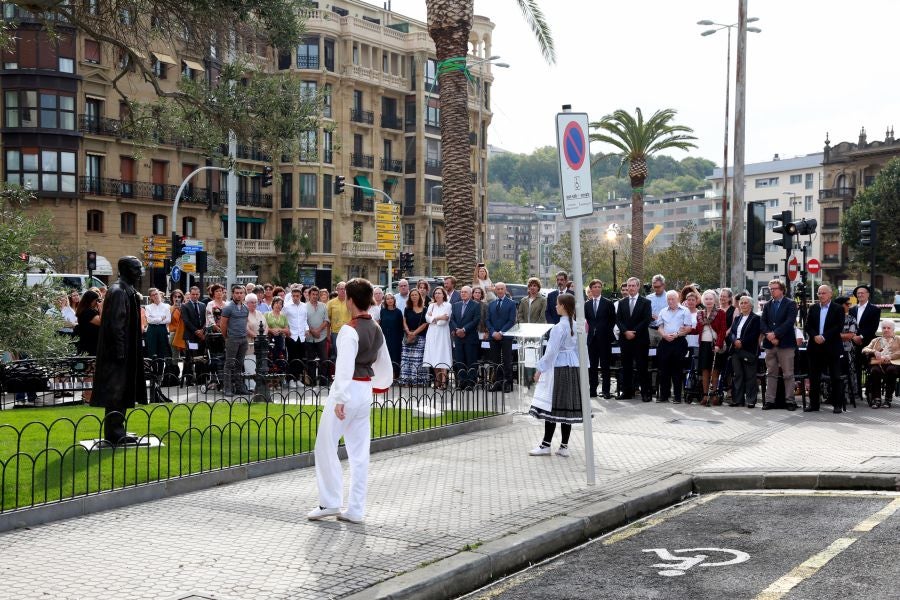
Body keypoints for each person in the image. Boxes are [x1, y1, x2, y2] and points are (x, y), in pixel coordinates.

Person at [307, 278, 392, 524]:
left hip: (348, 389)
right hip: (365, 389)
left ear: (350, 301)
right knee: (359, 452)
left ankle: (330, 501)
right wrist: (379, 385)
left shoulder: (349, 329)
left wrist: (341, 398)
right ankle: (355, 509)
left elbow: (344, 367)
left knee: (325, 444)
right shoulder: (376, 327)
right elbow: (383, 363)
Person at [92, 256, 147, 445]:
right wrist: (120, 350)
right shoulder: (118, 291)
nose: (140, 272)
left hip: (125, 350)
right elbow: (116, 325)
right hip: (119, 353)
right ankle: (114, 432)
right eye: (136, 268)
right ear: (124, 270)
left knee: (122, 391)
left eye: (140, 268)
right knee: (116, 392)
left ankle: (117, 429)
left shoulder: (127, 290)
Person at [528, 293, 582, 457]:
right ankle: (564, 446)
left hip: (558, 368)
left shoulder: (559, 327)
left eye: (558, 304)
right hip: (572, 367)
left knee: (551, 406)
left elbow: (551, 352)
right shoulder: (577, 324)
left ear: (564, 306)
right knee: (566, 407)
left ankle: (546, 445)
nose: (555, 306)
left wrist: (539, 369)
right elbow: (581, 349)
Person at [804, 285, 844, 414]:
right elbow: (807, 325)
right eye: (819, 293)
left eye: (823, 293)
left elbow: (839, 326)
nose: (821, 295)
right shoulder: (813, 308)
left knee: (835, 377)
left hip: (831, 347)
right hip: (815, 347)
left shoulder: (838, 308)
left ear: (830, 294)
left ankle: (837, 404)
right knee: (814, 377)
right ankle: (814, 404)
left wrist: (824, 336)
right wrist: (815, 336)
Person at [760, 279, 799, 411]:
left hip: (785, 344)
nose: (772, 291)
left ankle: (790, 401)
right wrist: (769, 335)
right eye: (770, 289)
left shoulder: (790, 304)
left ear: (781, 289)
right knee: (770, 373)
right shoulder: (767, 305)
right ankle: (770, 400)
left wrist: (776, 334)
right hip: (770, 344)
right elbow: (762, 322)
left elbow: (789, 322)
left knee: (788, 373)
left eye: (774, 288)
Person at [616, 277, 652, 401]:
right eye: (629, 286)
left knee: (642, 367)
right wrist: (625, 331)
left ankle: (645, 393)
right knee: (626, 367)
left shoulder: (646, 302)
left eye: (633, 286)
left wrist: (634, 332)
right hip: (625, 339)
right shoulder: (622, 302)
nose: (630, 288)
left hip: (640, 339)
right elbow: (618, 319)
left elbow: (646, 320)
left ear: (638, 287)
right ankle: (627, 392)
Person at [655, 290, 694, 404]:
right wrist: (664, 335)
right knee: (663, 369)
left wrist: (676, 334)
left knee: (677, 370)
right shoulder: (663, 311)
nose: (670, 301)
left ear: (678, 299)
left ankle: (677, 396)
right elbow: (660, 327)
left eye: (673, 299)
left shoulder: (685, 311)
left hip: (679, 341)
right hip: (665, 342)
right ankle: (664, 396)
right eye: (669, 299)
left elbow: (688, 328)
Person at [693, 290, 728, 406]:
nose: (708, 301)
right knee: (704, 370)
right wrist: (686, 330)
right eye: (706, 299)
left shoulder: (721, 313)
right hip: (703, 344)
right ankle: (705, 395)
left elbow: (723, 330)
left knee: (715, 370)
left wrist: (718, 344)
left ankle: (714, 395)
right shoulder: (700, 314)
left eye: (711, 299)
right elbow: (698, 330)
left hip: (714, 344)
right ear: (703, 300)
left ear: (714, 300)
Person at [728, 295, 761, 408]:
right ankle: (738, 400)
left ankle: (751, 400)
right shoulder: (737, 318)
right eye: (741, 303)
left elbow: (754, 334)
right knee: (738, 375)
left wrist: (742, 342)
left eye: (745, 303)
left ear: (751, 305)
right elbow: (732, 332)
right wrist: (734, 341)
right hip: (736, 350)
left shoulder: (756, 318)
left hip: (748, 350)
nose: (743, 305)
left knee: (750, 376)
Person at [584, 279, 615, 399]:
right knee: (592, 366)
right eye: (595, 287)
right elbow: (586, 320)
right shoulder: (587, 304)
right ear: (591, 289)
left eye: (599, 287)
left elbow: (613, 319)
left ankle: (606, 391)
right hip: (592, 339)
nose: (597, 288)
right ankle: (592, 390)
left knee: (605, 366)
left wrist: (606, 331)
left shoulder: (608, 303)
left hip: (605, 339)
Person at [219, 284, 250, 397]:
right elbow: (223, 325)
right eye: (236, 293)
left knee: (239, 364)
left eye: (241, 293)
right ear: (233, 294)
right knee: (229, 364)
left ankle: (239, 388)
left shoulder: (246, 308)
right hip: (232, 339)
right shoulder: (228, 308)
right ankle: (227, 389)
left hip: (243, 339)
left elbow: (245, 323)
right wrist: (226, 337)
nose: (239, 295)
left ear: (244, 294)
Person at [861, 320, 900, 408]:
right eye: (884, 328)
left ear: (893, 329)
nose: (886, 330)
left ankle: (888, 398)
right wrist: (874, 351)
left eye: (888, 328)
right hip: (878, 364)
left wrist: (891, 356)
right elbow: (864, 349)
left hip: (893, 364)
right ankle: (877, 398)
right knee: (874, 371)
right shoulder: (876, 340)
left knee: (891, 370)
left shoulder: (898, 339)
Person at [850, 284, 880, 396]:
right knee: (855, 367)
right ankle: (856, 390)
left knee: (869, 367)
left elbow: (873, 327)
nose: (860, 294)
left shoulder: (874, 309)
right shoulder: (852, 309)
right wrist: (853, 337)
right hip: (853, 343)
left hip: (867, 343)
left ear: (868, 295)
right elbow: (849, 325)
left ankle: (869, 390)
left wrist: (861, 336)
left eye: (863, 292)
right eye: (858, 293)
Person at [487, 282, 516, 392]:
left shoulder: (511, 303)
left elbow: (511, 320)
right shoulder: (491, 304)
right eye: (497, 289)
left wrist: (501, 332)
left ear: (505, 290)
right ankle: (498, 382)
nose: (499, 291)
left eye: (501, 289)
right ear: (495, 290)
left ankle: (507, 383)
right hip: (493, 337)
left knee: (506, 360)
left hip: (506, 337)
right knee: (495, 361)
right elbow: (488, 320)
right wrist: (493, 332)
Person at [450, 285, 481, 390]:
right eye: (462, 292)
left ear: (470, 294)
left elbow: (475, 320)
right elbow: (452, 319)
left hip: (470, 337)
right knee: (459, 361)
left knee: (471, 361)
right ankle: (461, 382)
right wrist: (457, 330)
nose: (463, 294)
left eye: (465, 292)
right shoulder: (455, 305)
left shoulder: (476, 305)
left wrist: (464, 330)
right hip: (458, 338)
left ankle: (471, 383)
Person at [423, 287, 453, 389]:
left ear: (443, 295)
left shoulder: (447, 305)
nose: (437, 295)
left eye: (439, 293)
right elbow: (427, 319)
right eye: (435, 293)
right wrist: (437, 317)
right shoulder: (431, 306)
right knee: (434, 356)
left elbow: (443, 322)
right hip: (431, 333)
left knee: (442, 355)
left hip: (442, 334)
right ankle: (437, 380)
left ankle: (444, 381)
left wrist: (434, 318)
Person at [835, 296, 862, 407]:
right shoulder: (831, 317)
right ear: (840, 305)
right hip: (832, 350)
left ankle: (847, 396)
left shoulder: (851, 319)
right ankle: (831, 396)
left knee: (848, 373)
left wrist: (834, 335)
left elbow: (850, 335)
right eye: (847, 304)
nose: (849, 306)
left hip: (847, 350)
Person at [399, 288, 428, 385]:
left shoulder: (425, 309)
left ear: (419, 296)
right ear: (410, 297)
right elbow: (404, 320)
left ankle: (418, 381)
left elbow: (425, 324)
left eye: (416, 295)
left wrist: (414, 333)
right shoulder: (407, 308)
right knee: (406, 358)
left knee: (417, 359)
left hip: (420, 337)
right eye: (412, 295)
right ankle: (406, 380)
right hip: (408, 337)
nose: (414, 297)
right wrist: (408, 331)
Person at [283, 285, 309, 388]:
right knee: (292, 358)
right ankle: (290, 380)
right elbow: (283, 319)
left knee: (300, 359)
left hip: (302, 336)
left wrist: (306, 329)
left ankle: (298, 379)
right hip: (291, 335)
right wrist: (287, 329)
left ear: (301, 296)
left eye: (297, 296)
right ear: (291, 296)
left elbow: (305, 319)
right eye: (293, 296)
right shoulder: (287, 306)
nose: (295, 298)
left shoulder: (304, 306)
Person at [305, 286, 329, 386]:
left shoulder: (323, 306)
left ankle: (323, 381)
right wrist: (312, 331)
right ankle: (312, 382)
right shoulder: (304, 306)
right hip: (309, 338)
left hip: (321, 336)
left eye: (316, 294)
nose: (315, 296)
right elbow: (303, 321)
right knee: (310, 361)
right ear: (309, 295)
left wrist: (318, 330)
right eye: (313, 294)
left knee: (324, 360)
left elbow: (326, 320)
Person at [264, 296, 289, 381]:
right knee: (270, 358)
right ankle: (270, 380)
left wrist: (280, 329)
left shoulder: (283, 316)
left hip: (280, 340)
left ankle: (279, 380)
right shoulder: (267, 314)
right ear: (273, 304)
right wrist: (271, 330)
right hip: (270, 339)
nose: (278, 305)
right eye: (276, 303)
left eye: (280, 304)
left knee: (279, 358)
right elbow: (264, 327)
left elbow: (287, 330)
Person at [379, 292, 404, 377]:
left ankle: (394, 375)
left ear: (394, 300)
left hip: (395, 338)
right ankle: (386, 375)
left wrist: (400, 338)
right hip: (385, 337)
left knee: (395, 356)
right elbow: (380, 325)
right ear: (385, 301)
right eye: (388, 299)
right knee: (386, 355)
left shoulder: (398, 312)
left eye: (391, 298)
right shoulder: (382, 311)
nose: (390, 300)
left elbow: (401, 327)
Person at [144, 288, 171, 359]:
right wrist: (161, 318)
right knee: (151, 351)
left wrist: (155, 319)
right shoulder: (148, 307)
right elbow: (149, 320)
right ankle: (153, 369)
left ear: (159, 294)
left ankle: (161, 369)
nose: (155, 296)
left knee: (162, 351)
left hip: (162, 329)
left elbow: (168, 320)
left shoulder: (167, 306)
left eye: (156, 294)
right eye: (153, 295)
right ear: (150, 297)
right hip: (151, 329)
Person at [327, 282, 351, 360]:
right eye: (341, 289)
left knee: (347, 353)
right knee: (337, 354)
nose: (343, 290)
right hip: (335, 332)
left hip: (348, 332)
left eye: (344, 289)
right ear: (337, 290)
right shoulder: (331, 303)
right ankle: (337, 371)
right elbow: (327, 320)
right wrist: (328, 334)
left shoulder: (350, 301)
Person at [74, 289, 102, 356]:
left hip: (89, 343)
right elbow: (102, 322)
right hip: (90, 344)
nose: (97, 302)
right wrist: (101, 308)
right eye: (96, 300)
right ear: (91, 300)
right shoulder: (87, 312)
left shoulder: (85, 310)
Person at [646, 274, 667, 348]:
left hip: (664, 330)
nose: (656, 289)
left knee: (662, 354)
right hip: (650, 329)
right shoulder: (648, 298)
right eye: (654, 287)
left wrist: (660, 318)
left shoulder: (669, 297)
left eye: (658, 287)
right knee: (649, 354)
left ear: (663, 285)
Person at [168, 290, 186, 363]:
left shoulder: (185, 307)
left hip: (184, 333)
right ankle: (175, 370)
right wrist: (174, 309)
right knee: (174, 355)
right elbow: (168, 320)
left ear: (182, 298)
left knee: (187, 354)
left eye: (179, 296)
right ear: (172, 298)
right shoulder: (169, 308)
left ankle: (187, 371)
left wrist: (180, 310)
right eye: (175, 296)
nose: (177, 298)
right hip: (174, 333)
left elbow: (186, 320)